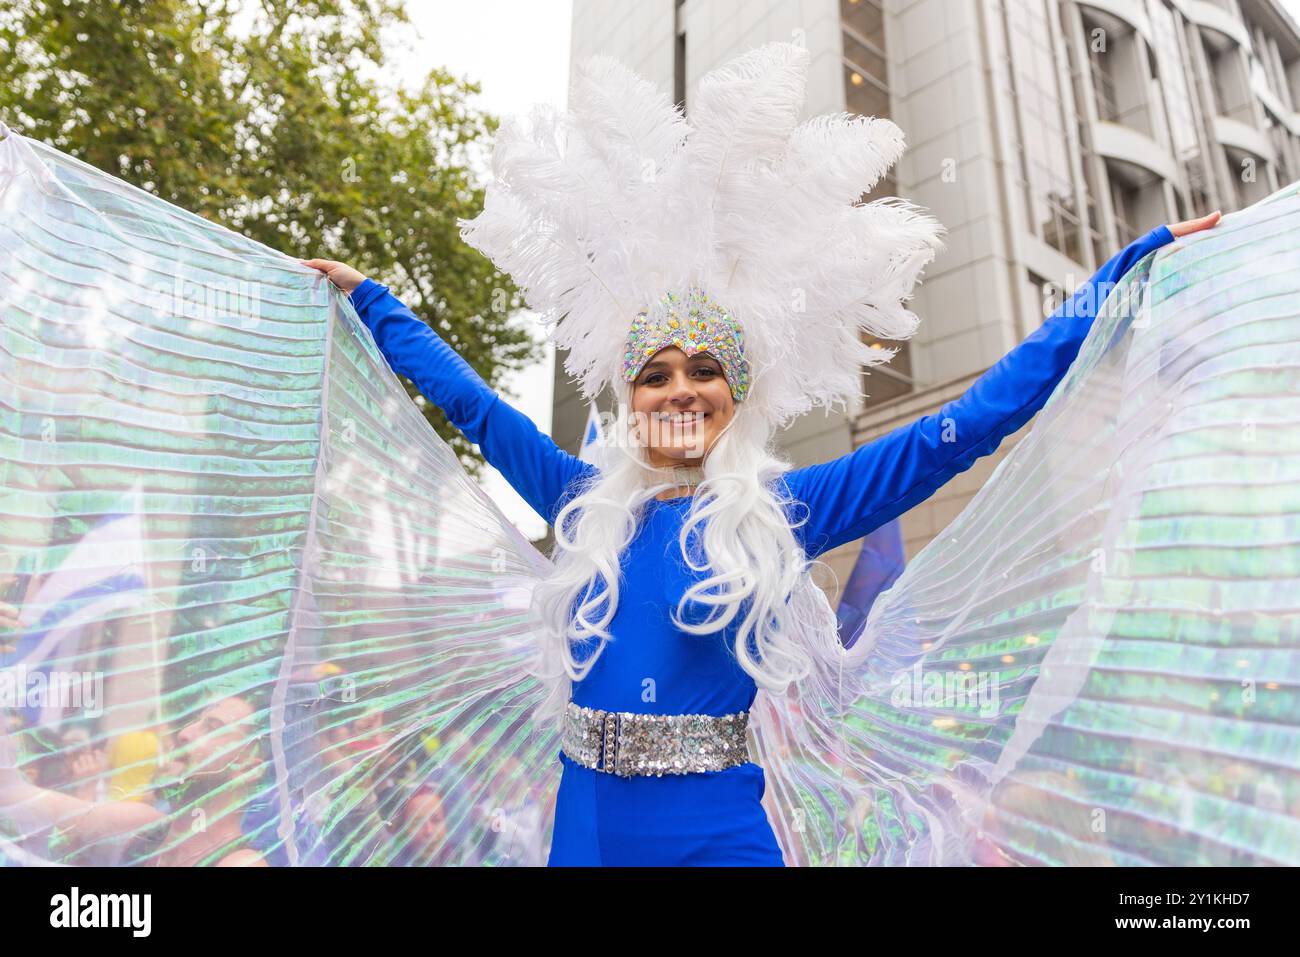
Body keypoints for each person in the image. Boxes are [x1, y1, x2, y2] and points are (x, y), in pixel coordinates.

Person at [300, 44, 1219, 868]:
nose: (679, 390)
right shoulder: (577, 497)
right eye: (654, 375)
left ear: (736, 395)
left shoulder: (789, 510)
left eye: (705, 370)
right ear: (630, 397)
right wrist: (372, 299)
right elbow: (471, 404)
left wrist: (1113, 286)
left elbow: (971, 423)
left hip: (716, 837)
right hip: (582, 830)